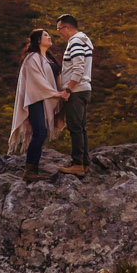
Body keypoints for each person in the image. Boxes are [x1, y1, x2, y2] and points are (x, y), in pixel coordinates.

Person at [7, 28, 61, 182]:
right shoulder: (32, 59)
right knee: (40, 132)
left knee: (40, 133)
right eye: (46, 35)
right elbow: (37, 81)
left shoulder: (48, 58)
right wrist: (57, 94)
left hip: (43, 99)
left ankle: (32, 169)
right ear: (38, 40)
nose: (49, 37)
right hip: (35, 100)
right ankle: (30, 171)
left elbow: (56, 77)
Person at [54, 13, 93, 176]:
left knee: (75, 127)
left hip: (76, 91)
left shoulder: (75, 41)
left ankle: (78, 164)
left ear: (67, 27)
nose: (59, 33)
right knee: (81, 127)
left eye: (59, 29)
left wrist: (68, 89)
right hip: (84, 89)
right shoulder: (84, 40)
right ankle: (83, 162)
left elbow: (78, 67)